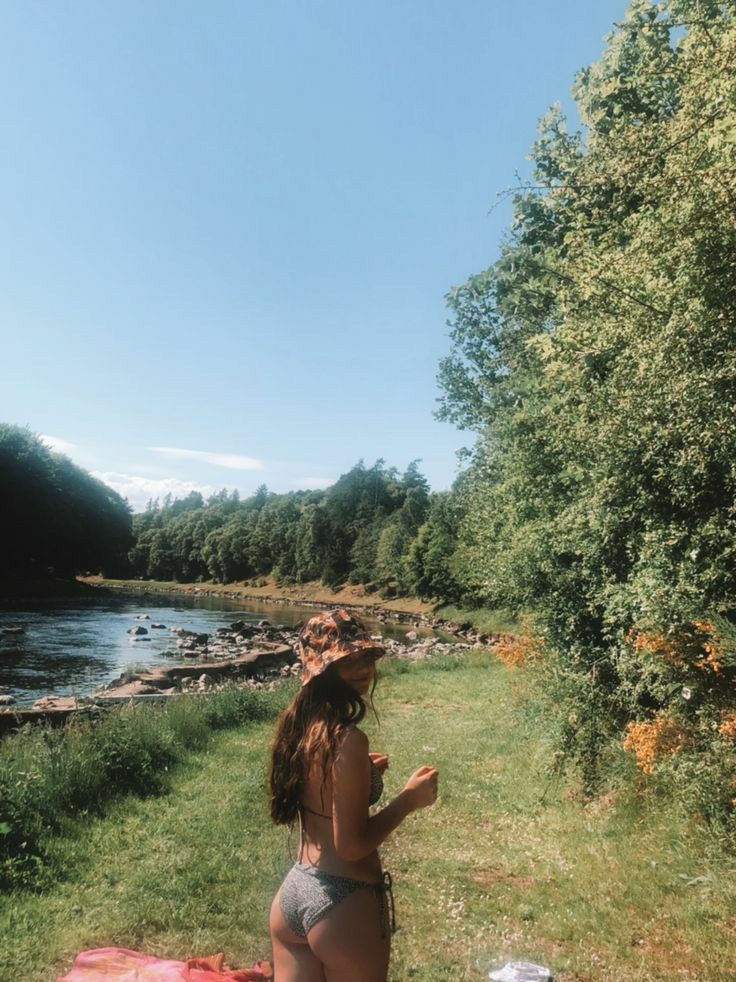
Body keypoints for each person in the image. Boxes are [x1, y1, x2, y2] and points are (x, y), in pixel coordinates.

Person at [268, 609, 439, 981]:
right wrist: (409, 799)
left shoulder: (300, 728)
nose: (364, 668)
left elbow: (319, 795)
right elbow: (351, 845)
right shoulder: (348, 740)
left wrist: (364, 777)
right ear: (325, 668)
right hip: (342, 903)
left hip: (294, 893)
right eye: (349, 659)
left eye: (366, 656)